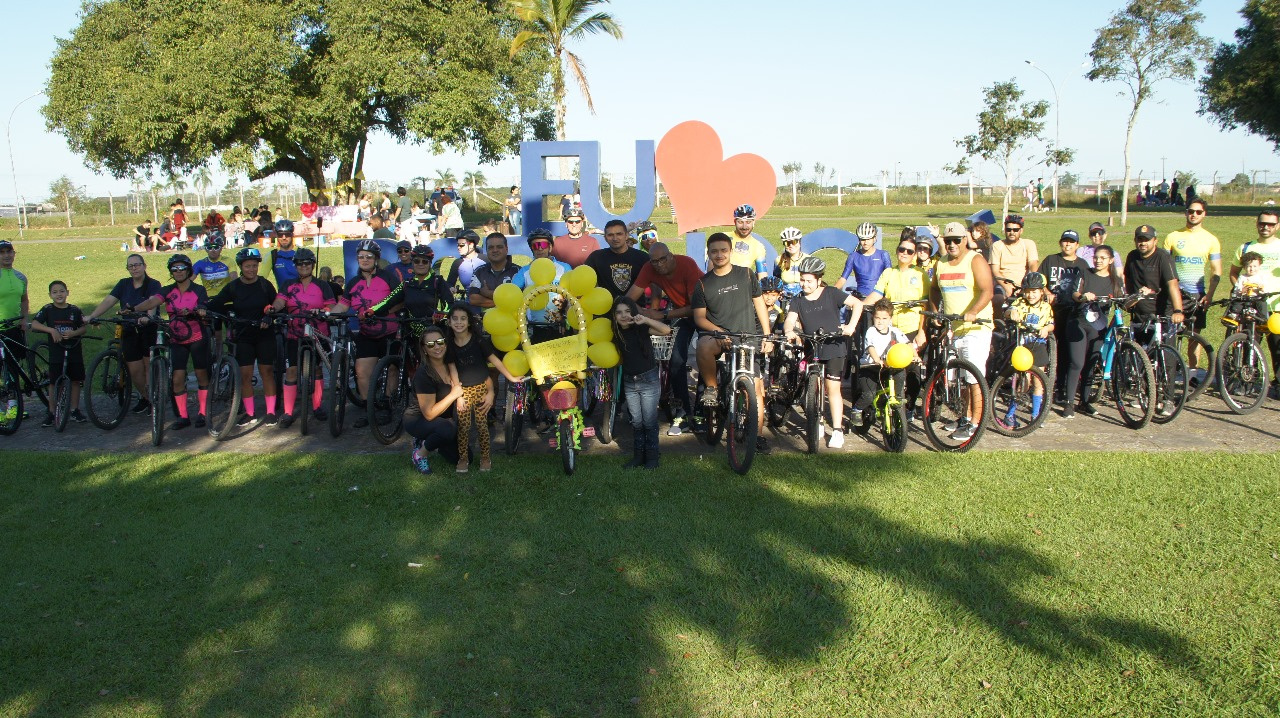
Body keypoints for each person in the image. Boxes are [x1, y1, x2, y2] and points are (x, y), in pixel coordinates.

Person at [692, 232, 775, 454]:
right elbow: (699, 317)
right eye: (714, 251)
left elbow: (759, 305)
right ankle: (711, 388)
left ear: (730, 252)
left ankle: (755, 437)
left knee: (756, 391)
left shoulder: (746, 275)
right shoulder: (702, 283)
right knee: (703, 346)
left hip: (747, 337)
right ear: (708, 253)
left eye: (723, 250)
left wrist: (767, 336)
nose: (719, 255)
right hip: (720, 337)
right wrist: (720, 332)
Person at [782, 256, 861, 448]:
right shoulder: (798, 300)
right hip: (812, 346)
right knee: (814, 385)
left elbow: (857, 304)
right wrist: (789, 330)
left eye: (809, 280)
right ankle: (816, 421)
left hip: (834, 346)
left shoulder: (832, 293)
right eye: (802, 280)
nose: (805, 284)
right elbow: (790, 319)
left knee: (832, 388)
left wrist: (850, 326)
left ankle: (837, 429)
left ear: (819, 280)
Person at [627, 242, 703, 435]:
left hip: (704, 312)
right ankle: (683, 413)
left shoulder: (686, 264)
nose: (659, 265)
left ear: (671, 256)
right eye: (654, 261)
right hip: (682, 316)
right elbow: (630, 297)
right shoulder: (649, 268)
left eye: (662, 259)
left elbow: (696, 306)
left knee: (706, 357)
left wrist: (662, 315)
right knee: (676, 360)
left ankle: (703, 412)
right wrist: (634, 311)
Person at [928, 221, 994, 441]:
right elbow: (934, 290)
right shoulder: (942, 263)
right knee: (962, 379)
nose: (952, 244)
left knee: (974, 377)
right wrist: (936, 313)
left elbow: (987, 290)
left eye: (957, 240)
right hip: (955, 328)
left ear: (965, 240)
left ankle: (976, 423)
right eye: (948, 241)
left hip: (977, 328)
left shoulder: (975, 260)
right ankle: (965, 417)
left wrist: (974, 311)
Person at [131, 254, 211, 430]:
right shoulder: (167, 290)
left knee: (201, 375)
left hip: (197, 337)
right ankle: (183, 416)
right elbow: (153, 301)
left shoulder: (198, 289)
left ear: (188, 269)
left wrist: (199, 310)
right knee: (177, 378)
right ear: (171, 272)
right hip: (177, 338)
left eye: (182, 268)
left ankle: (203, 412)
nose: (178, 271)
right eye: (174, 269)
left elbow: (204, 306)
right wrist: (134, 308)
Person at [208, 247, 280, 425]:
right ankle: (250, 412)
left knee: (267, 372)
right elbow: (217, 302)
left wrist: (269, 317)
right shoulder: (233, 287)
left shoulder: (264, 285)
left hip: (264, 334)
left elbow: (276, 305)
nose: (252, 270)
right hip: (243, 336)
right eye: (248, 266)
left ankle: (271, 411)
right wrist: (203, 308)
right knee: (245, 375)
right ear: (241, 267)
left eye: (255, 266)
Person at [268, 247, 338, 428]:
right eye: (300, 263)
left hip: (318, 331)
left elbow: (331, 305)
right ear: (296, 265)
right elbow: (280, 300)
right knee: (291, 370)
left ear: (313, 265)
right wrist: (274, 308)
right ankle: (288, 412)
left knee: (316, 369)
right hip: (295, 332)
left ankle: (316, 406)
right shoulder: (288, 284)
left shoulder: (322, 285)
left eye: (307, 263)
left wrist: (323, 311)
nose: (304, 266)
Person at [86, 254, 163, 415]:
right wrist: (93, 316)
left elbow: (152, 303)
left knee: (148, 365)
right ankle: (146, 398)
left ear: (144, 265)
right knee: (134, 370)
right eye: (130, 266)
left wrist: (146, 317)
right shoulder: (123, 284)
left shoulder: (153, 284)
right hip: (128, 328)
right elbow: (109, 301)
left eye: (137, 265)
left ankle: (154, 398)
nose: (134, 268)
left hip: (147, 329)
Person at [446, 306, 519, 473]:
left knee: (481, 425)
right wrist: (458, 395)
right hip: (463, 391)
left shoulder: (479, 341)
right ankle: (463, 458)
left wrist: (511, 378)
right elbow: (452, 369)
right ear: (449, 322)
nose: (459, 322)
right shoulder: (449, 344)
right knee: (463, 427)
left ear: (469, 321)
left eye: (463, 318)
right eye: (455, 319)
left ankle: (486, 457)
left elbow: (496, 361)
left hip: (481, 389)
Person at [1125, 224, 1184, 417]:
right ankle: (1144, 393)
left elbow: (1173, 285)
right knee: (1142, 357)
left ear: (1155, 241)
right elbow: (1129, 283)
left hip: (1162, 315)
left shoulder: (1163, 258)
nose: (1143, 243)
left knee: (1165, 360)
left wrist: (1177, 310)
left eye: (1147, 239)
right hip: (1140, 315)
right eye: (1140, 239)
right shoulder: (1132, 257)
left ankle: (1167, 399)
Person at [344, 239, 402, 428]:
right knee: (361, 371)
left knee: (391, 368)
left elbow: (401, 300)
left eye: (369, 257)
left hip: (389, 330)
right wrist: (327, 313)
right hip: (366, 333)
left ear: (376, 259)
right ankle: (369, 409)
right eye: (361, 257)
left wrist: (384, 311)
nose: (365, 260)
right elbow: (343, 304)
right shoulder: (353, 282)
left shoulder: (388, 277)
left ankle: (386, 405)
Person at [1064, 244, 1125, 418]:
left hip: (1098, 327)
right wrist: (1083, 296)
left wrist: (1138, 295)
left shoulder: (1114, 280)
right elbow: (1076, 293)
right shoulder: (1085, 273)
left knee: (1091, 363)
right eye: (1096, 257)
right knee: (1077, 363)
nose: (1098, 261)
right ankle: (1069, 403)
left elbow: (1123, 301)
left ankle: (1084, 402)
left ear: (1111, 261)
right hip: (1078, 323)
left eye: (1103, 258)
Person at [611, 295, 672, 469]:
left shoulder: (641, 328)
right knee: (636, 421)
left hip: (648, 379)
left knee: (649, 421)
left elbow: (666, 330)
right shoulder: (615, 333)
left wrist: (644, 319)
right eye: (619, 312)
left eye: (627, 311)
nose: (623, 316)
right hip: (630, 381)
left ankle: (652, 457)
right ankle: (639, 456)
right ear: (614, 316)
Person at [1163, 198, 1221, 378]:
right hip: (1174, 293)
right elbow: (1163, 266)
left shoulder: (1211, 240)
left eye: (1198, 212)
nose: (1193, 215)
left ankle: (1193, 373)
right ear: (1185, 212)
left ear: (1204, 214)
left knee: (1194, 336)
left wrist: (1209, 295)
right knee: (1170, 333)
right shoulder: (1173, 236)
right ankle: (1168, 371)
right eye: (1190, 211)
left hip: (1197, 293)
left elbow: (1216, 271)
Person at [1230, 209, 1280, 397]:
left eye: (1270, 224)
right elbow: (1234, 272)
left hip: (1276, 307)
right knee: (1249, 345)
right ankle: (1246, 380)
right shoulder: (1245, 247)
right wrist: (1241, 290)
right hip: (1251, 306)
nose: (1265, 227)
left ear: (1277, 226)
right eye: (1262, 223)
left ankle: (1278, 383)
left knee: (1278, 348)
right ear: (1256, 224)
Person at [1037, 230, 1091, 395]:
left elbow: (1086, 287)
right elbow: (1039, 280)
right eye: (1065, 241)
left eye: (1071, 242)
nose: (1067, 244)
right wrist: (1046, 292)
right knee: (1048, 348)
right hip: (1053, 311)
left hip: (1073, 312)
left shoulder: (1082, 265)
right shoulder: (1051, 260)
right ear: (1060, 243)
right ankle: (1042, 384)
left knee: (1067, 351)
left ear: (1077, 245)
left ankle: (1062, 386)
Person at [406, 325, 464, 474]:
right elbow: (429, 414)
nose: (437, 346)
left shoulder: (450, 364)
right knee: (447, 429)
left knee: (464, 458)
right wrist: (454, 394)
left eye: (440, 341)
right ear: (424, 349)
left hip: (441, 419)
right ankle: (419, 454)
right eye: (431, 344)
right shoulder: (423, 374)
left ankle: (429, 440)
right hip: (418, 419)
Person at [30, 280, 88, 426]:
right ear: (50, 295)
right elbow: (35, 324)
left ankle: (74, 410)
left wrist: (74, 332)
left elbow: (83, 328)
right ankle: (52, 412)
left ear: (67, 292)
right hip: (56, 352)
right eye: (55, 292)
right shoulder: (48, 309)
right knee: (54, 382)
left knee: (75, 380)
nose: (59, 294)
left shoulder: (74, 310)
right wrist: (51, 330)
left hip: (74, 350)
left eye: (62, 291)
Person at [848, 299, 909, 432]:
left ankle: (897, 397)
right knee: (869, 395)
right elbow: (871, 347)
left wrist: (914, 355)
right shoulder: (871, 331)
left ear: (890, 319)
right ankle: (856, 410)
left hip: (887, 367)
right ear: (873, 318)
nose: (880, 321)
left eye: (884, 318)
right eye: (877, 318)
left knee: (900, 372)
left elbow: (907, 344)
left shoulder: (895, 331)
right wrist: (876, 359)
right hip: (870, 367)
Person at [1004, 272, 1053, 424]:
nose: (1031, 295)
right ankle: (1010, 414)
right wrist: (1011, 313)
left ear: (1041, 291)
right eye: (1028, 291)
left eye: (1034, 291)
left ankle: (1036, 414)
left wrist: (1047, 329)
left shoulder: (1046, 307)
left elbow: (1051, 323)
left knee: (1039, 382)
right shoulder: (1020, 303)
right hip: (1023, 346)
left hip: (1038, 345)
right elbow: (1008, 311)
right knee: (1024, 381)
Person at [372, 244, 451, 330]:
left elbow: (449, 304)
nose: (420, 264)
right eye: (417, 261)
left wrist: (441, 314)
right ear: (412, 263)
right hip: (410, 333)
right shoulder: (406, 283)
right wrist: (371, 311)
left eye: (425, 261)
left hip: (434, 331)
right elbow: (388, 301)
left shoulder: (438, 281)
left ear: (430, 264)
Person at [513, 229, 571, 345]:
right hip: (534, 328)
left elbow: (571, 295)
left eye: (543, 245)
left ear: (550, 247)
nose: (540, 248)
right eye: (535, 245)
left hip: (560, 326)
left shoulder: (564, 268)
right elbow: (512, 294)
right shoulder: (525, 271)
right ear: (531, 249)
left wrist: (566, 319)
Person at [0, 240, 30, 420]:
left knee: (12, 368)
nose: (6, 256)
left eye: (9, 252)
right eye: (2, 252)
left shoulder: (20, 277)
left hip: (14, 328)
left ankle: (14, 405)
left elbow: (24, 300)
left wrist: (25, 318)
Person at [586, 219, 648, 299]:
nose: (615, 238)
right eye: (610, 235)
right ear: (605, 238)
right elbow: (584, 281)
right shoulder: (596, 258)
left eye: (619, 234)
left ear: (626, 236)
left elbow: (656, 285)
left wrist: (653, 307)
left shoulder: (642, 257)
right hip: (605, 308)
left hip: (636, 309)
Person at [990, 214, 1039, 314]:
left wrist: (1029, 283)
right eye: (1009, 230)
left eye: (1015, 230)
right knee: (997, 299)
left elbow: (1033, 264)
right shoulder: (997, 245)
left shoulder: (1028, 244)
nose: (1012, 232)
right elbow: (995, 270)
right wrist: (1007, 287)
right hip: (1003, 283)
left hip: (1024, 284)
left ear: (1021, 230)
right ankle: (999, 326)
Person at [836, 222, 892, 299]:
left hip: (879, 298)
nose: (865, 243)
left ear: (875, 238)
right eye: (863, 239)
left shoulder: (883, 255)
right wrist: (830, 293)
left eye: (868, 239)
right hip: (860, 298)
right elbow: (843, 279)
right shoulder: (853, 256)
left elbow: (890, 279)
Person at [468, 233, 520, 309]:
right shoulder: (479, 271)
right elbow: (473, 299)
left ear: (506, 249)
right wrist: (502, 303)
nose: (495, 250)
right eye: (491, 247)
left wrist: (487, 293)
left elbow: (517, 298)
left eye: (499, 247)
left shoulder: (517, 271)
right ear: (487, 250)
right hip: (485, 319)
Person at [728, 204, 769, 280]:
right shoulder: (724, 238)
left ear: (754, 222)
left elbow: (762, 275)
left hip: (743, 285)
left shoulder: (758, 246)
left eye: (748, 222)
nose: (744, 226)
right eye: (740, 222)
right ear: (734, 222)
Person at [445, 230, 486, 304]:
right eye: (457, 245)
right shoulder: (457, 263)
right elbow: (449, 283)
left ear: (471, 245)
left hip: (489, 301)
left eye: (462, 245)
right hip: (469, 303)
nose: (458, 248)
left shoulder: (486, 259)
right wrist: (450, 288)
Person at [773, 227, 807, 296]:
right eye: (787, 243)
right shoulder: (779, 260)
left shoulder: (808, 259)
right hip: (786, 298)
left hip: (804, 296)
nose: (791, 245)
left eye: (794, 242)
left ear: (799, 242)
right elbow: (777, 279)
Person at [269, 219, 300, 287]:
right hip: (282, 296)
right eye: (280, 235)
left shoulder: (301, 253)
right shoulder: (272, 255)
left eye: (287, 234)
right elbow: (260, 278)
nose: (284, 238)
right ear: (276, 235)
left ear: (292, 234)